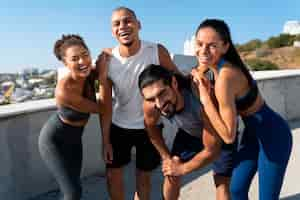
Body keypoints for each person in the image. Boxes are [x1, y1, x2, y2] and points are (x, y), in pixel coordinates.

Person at [191, 19, 293, 200]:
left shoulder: (225, 76)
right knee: (236, 190)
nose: (203, 50)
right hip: (252, 134)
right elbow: (198, 67)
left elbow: (229, 135)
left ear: (225, 46)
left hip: (274, 135)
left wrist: (205, 98)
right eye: (199, 44)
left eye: (212, 45)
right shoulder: (214, 64)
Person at [97, 7, 179, 200]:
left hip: (150, 127)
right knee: (112, 177)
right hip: (119, 126)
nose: (123, 26)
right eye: (116, 24)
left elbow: (177, 81)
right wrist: (106, 139)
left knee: (144, 179)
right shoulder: (106, 60)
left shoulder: (156, 51)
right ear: (112, 31)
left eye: (127, 21)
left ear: (138, 25)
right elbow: (105, 103)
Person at [138, 64, 222, 200]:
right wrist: (167, 157)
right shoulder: (151, 105)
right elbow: (151, 127)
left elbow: (213, 150)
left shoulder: (199, 97)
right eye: (151, 99)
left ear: (174, 83)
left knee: (223, 185)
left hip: (219, 133)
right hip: (189, 133)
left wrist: (182, 168)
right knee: (171, 171)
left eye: (162, 93)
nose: (159, 104)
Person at [38, 34, 107, 200]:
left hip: (75, 139)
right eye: (75, 58)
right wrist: (103, 75)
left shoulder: (89, 74)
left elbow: (108, 60)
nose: (83, 62)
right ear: (65, 63)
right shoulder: (65, 90)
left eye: (85, 55)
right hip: (54, 141)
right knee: (72, 192)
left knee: (72, 187)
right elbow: (101, 109)